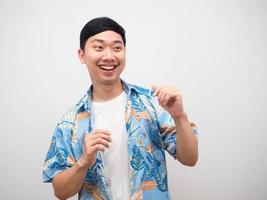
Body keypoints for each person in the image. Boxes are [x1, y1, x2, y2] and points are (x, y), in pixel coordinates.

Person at [42, 17, 199, 200]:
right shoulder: (71, 122)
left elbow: (190, 159)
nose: (109, 56)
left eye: (117, 48)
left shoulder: (151, 102)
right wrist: (84, 161)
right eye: (99, 47)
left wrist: (179, 116)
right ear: (82, 55)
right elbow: (60, 192)